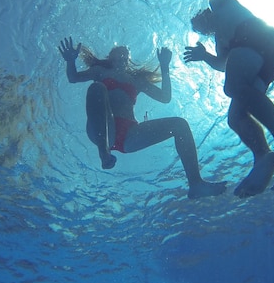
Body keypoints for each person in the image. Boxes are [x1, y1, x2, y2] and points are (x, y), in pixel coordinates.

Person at [184, 0, 274, 197]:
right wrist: (204, 57)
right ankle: (262, 156)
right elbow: (224, 64)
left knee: (233, 87)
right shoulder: (220, 41)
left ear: (204, 15)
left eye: (200, 25)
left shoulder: (218, 3)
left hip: (255, 36)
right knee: (235, 117)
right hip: (265, 62)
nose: (202, 30)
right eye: (199, 31)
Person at [58, 37, 226, 199]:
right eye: (119, 53)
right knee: (96, 88)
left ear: (128, 61)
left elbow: (165, 97)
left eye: (126, 55)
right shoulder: (100, 72)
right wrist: (70, 61)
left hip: (129, 135)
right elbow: (73, 78)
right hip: (102, 130)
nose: (123, 57)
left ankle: (196, 184)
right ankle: (104, 152)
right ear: (111, 56)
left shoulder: (136, 81)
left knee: (180, 125)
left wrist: (165, 66)